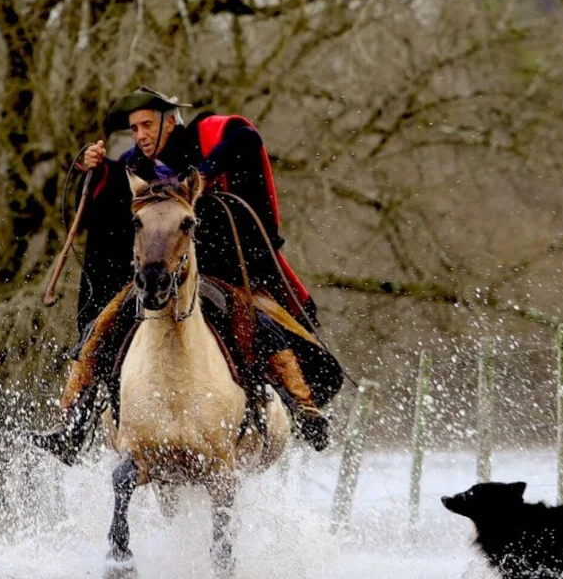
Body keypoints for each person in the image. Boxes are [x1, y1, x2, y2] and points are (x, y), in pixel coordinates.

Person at [36, 87, 343, 464]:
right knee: (101, 328)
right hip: (156, 275)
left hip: (221, 270)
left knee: (262, 325)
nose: (140, 135)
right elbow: (115, 203)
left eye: (147, 124)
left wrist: (207, 171)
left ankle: (304, 408)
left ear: (169, 121)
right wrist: (94, 168)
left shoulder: (203, 136)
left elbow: (245, 137)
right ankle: (73, 422)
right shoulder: (135, 168)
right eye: (134, 129)